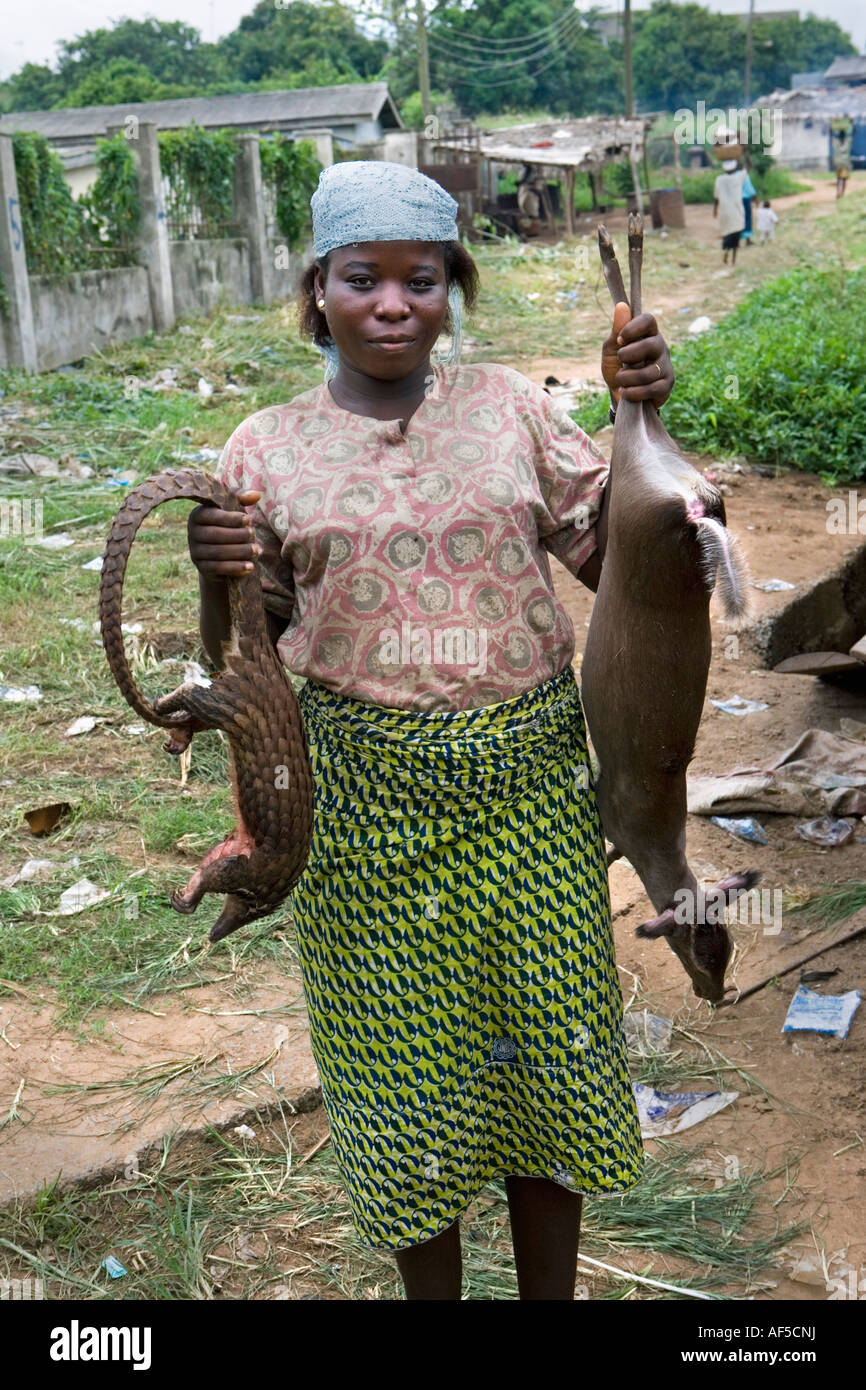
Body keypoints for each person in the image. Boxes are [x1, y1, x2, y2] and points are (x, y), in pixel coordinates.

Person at [187, 161, 675, 1301]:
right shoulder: (262, 449)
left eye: (422, 279)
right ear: (318, 291)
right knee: (403, 1085)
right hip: (360, 804)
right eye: (362, 278)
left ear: (453, 289)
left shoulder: (509, 407)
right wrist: (214, 581)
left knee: (551, 1058)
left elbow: (619, 565)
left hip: (531, 793)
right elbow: (244, 649)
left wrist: (641, 420)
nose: (393, 303)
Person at [713, 157, 747, 265]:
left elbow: (716, 197)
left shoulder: (719, 179)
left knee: (727, 234)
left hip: (724, 210)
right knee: (736, 235)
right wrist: (744, 153)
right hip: (736, 211)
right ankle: (733, 260)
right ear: (735, 167)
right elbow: (749, 167)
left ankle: (726, 250)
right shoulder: (738, 177)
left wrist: (714, 210)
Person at [832, 123, 853, 199]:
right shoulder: (847, 142)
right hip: (844, 164)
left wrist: (832, 127)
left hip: (839, 164)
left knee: (839, 179)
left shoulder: (836, 143)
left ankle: (839, 193)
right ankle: (841, 193)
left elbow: (832, 135)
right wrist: (852, 124)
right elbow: (853, 134)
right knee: (843, 179)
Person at [740, 164, 757, 246]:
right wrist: (755, 198)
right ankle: (747, 240)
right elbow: (749, 188)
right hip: (745, 199)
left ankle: (737, 241)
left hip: (736, 200)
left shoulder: (732, 175)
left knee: (738, 219)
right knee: (747, 219)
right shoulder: (744, 175)